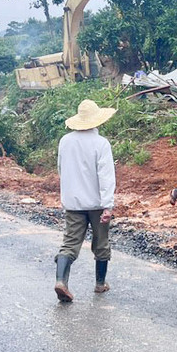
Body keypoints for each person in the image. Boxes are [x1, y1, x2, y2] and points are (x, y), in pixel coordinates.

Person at [54, 99, 117, 303]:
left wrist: (67, 194)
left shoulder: (65, 141)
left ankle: (61, 281)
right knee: (101, 244)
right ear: (97, 120)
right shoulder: (101, 143)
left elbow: (61, 169)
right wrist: (108, 205)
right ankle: (100, 284)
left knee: (70, 243)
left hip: (73, 203)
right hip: (97, 204)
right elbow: (106, 176)